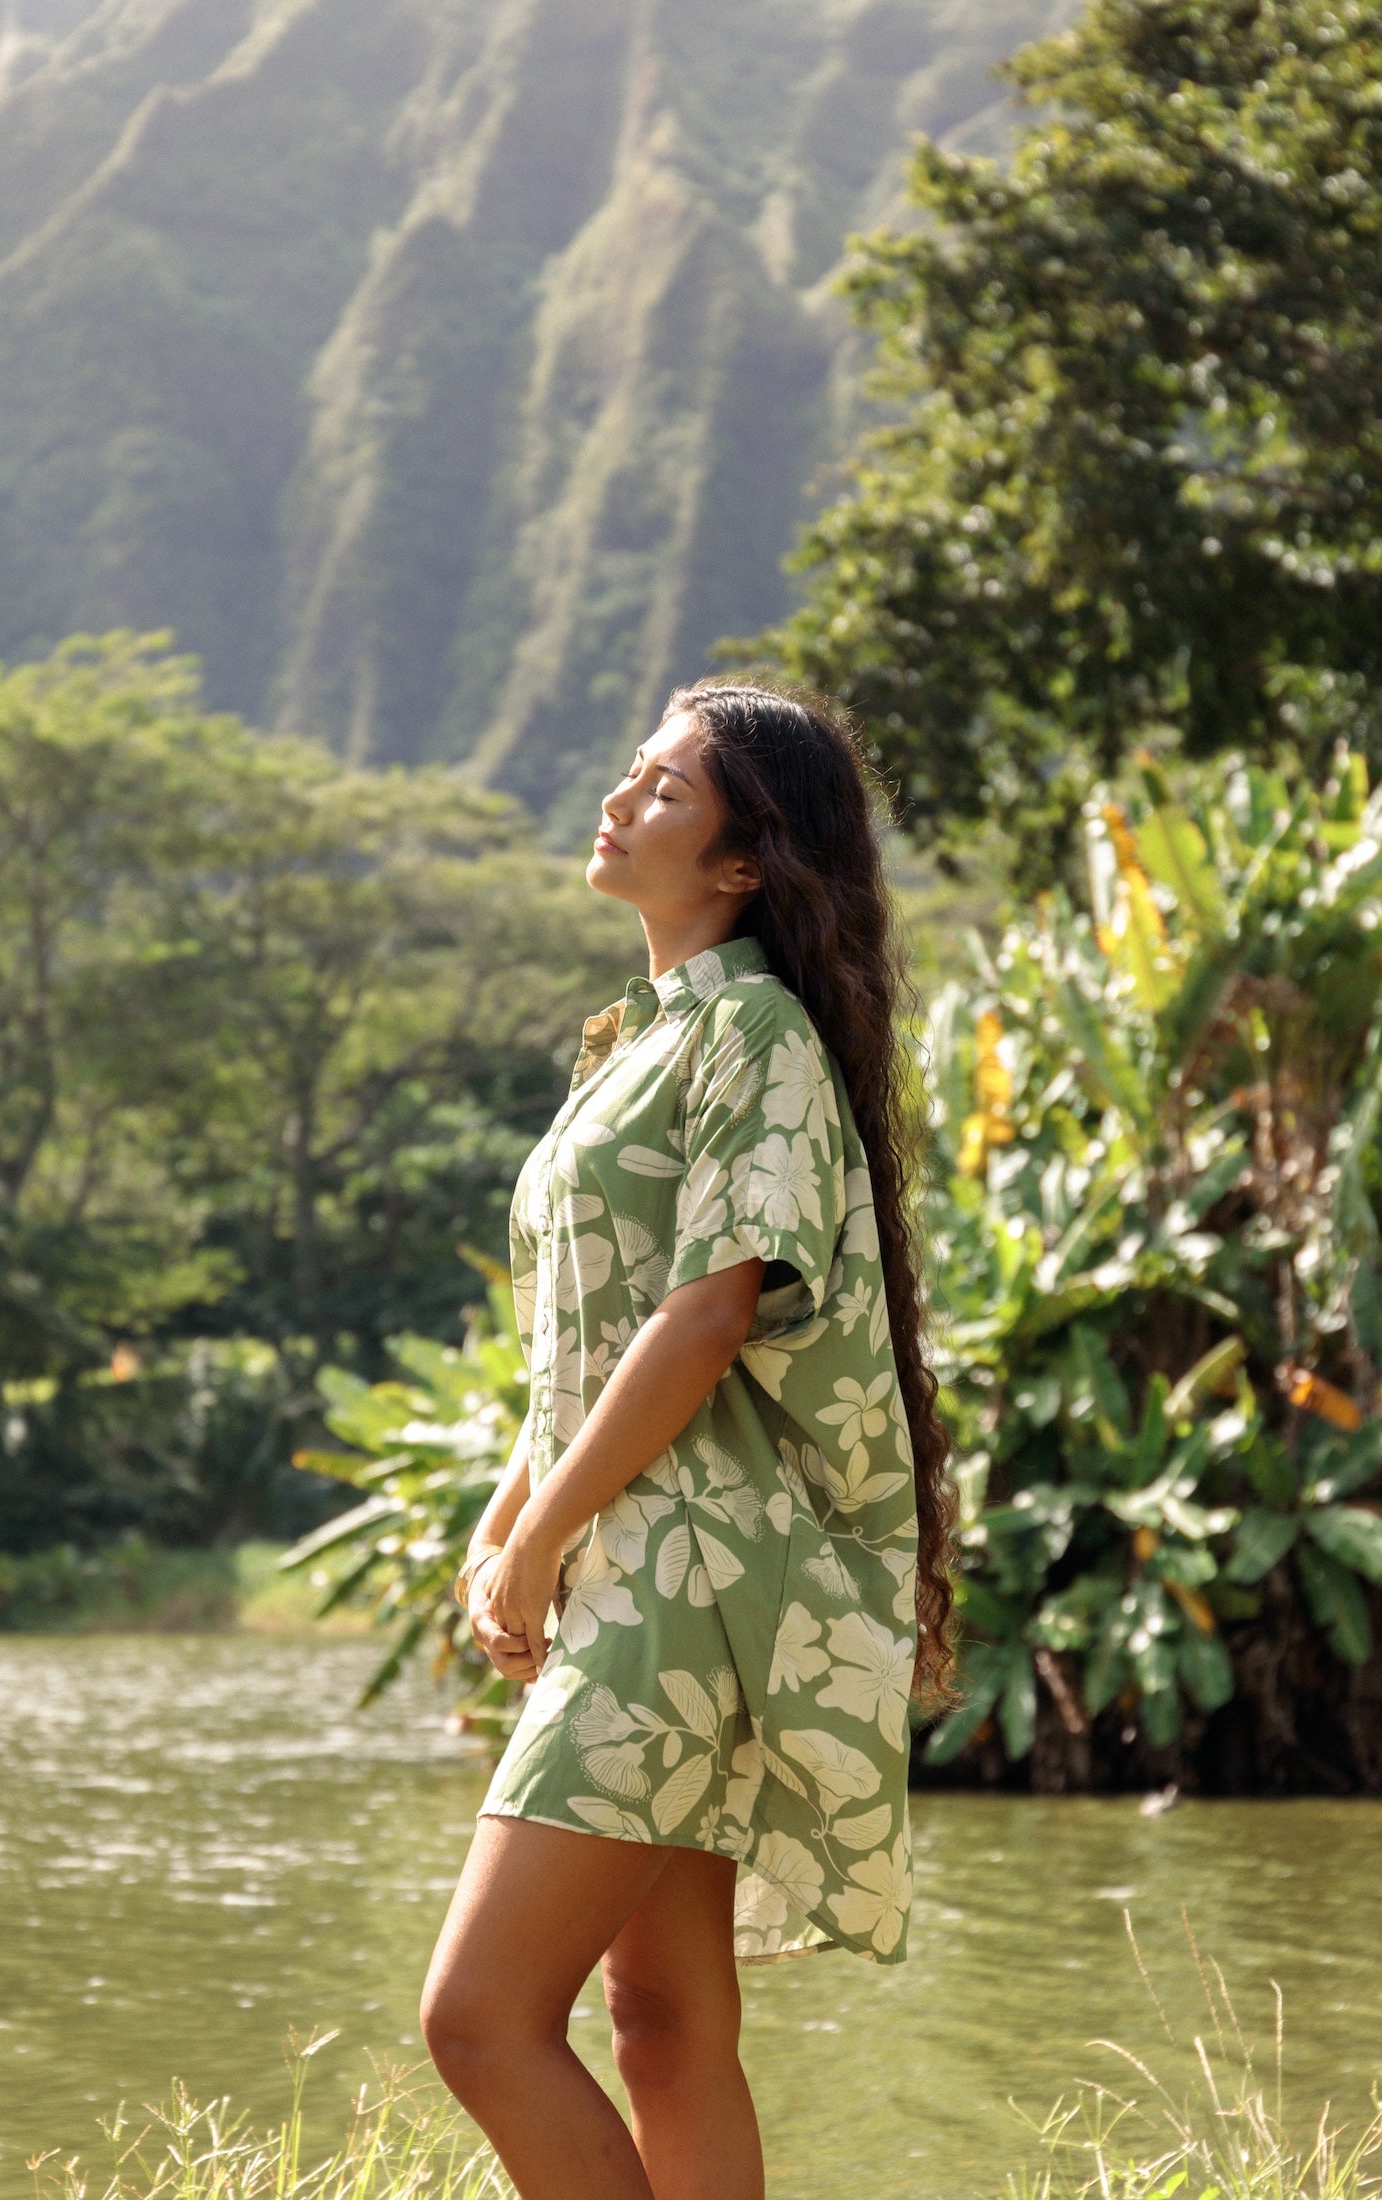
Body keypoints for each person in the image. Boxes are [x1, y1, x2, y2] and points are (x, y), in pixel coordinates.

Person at [420, 679, 955, 2200]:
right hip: (641, 1566)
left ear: (742, 861)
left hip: (689, 1583)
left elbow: (709, 1317)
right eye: (635, 771)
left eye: (665, 787)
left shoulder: (756, 1034)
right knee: (660, 2025)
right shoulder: (637, 1044)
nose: (620, 796)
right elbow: (596, 1330)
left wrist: (540, 1536)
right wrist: (514, 1514)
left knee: (478, 2021)